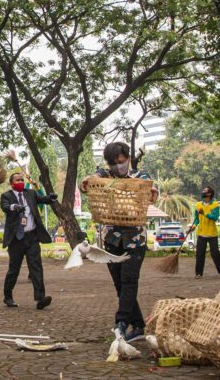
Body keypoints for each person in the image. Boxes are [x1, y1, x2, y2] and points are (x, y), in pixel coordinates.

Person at [80, 142, 158, 343]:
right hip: (112, 238)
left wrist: (153, 192)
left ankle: (121, 323)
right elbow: (91, 180)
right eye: (114, 163)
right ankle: (139, 325)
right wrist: (87, 182)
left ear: (128, 159)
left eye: (121, 162)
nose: (119, 166)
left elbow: (150, 189)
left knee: (129, 280)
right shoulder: (105, 176)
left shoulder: (140, 177)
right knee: (119, 284)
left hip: (135, 239)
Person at [0, 172, 56, 310]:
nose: (20, 181)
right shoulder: (6, 196)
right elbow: (5, 206)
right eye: (17, 180)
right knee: (14, 269)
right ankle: (8, 296)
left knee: (36, 267)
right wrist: (15, 207)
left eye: (22, 179)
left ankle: (40, 299)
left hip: (32, 237)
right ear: (11, 183)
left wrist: (50, 198)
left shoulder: (30, 193)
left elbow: (42, 199)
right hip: (16, 239)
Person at [187, 186, 220, 279]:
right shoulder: (198, 205)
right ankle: (198, 273)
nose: (203, 192)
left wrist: (204, 213)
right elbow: (197, 220)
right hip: (201, 234)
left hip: (212, 234)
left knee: (215, 253)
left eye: (205, 191)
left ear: (209, 194)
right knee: (200, 254)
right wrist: (193, 227)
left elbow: (215, 217)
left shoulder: (215, 205)